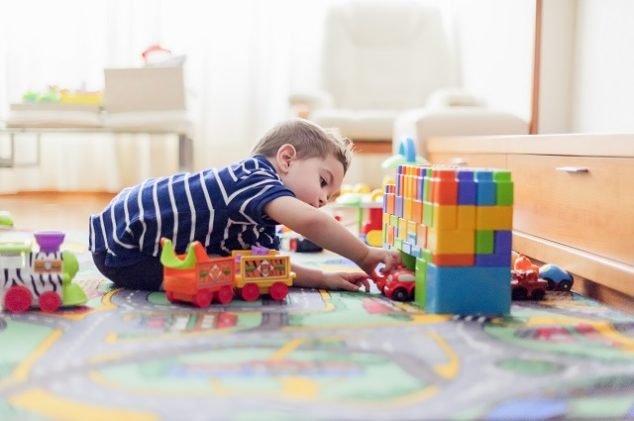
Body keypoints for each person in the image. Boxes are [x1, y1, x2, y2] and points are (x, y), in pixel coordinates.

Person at [89, 118, 400, 292]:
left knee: (240, 269)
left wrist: (321, 279)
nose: (322, 200)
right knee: (219, 276)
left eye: (329, 196)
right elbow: (312, 222)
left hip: (133, 239)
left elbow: (263, 267)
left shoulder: (257, 216)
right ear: (287, 159)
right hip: (127, 247)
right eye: (323, 181)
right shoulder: (252, 176)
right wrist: (364, 254)